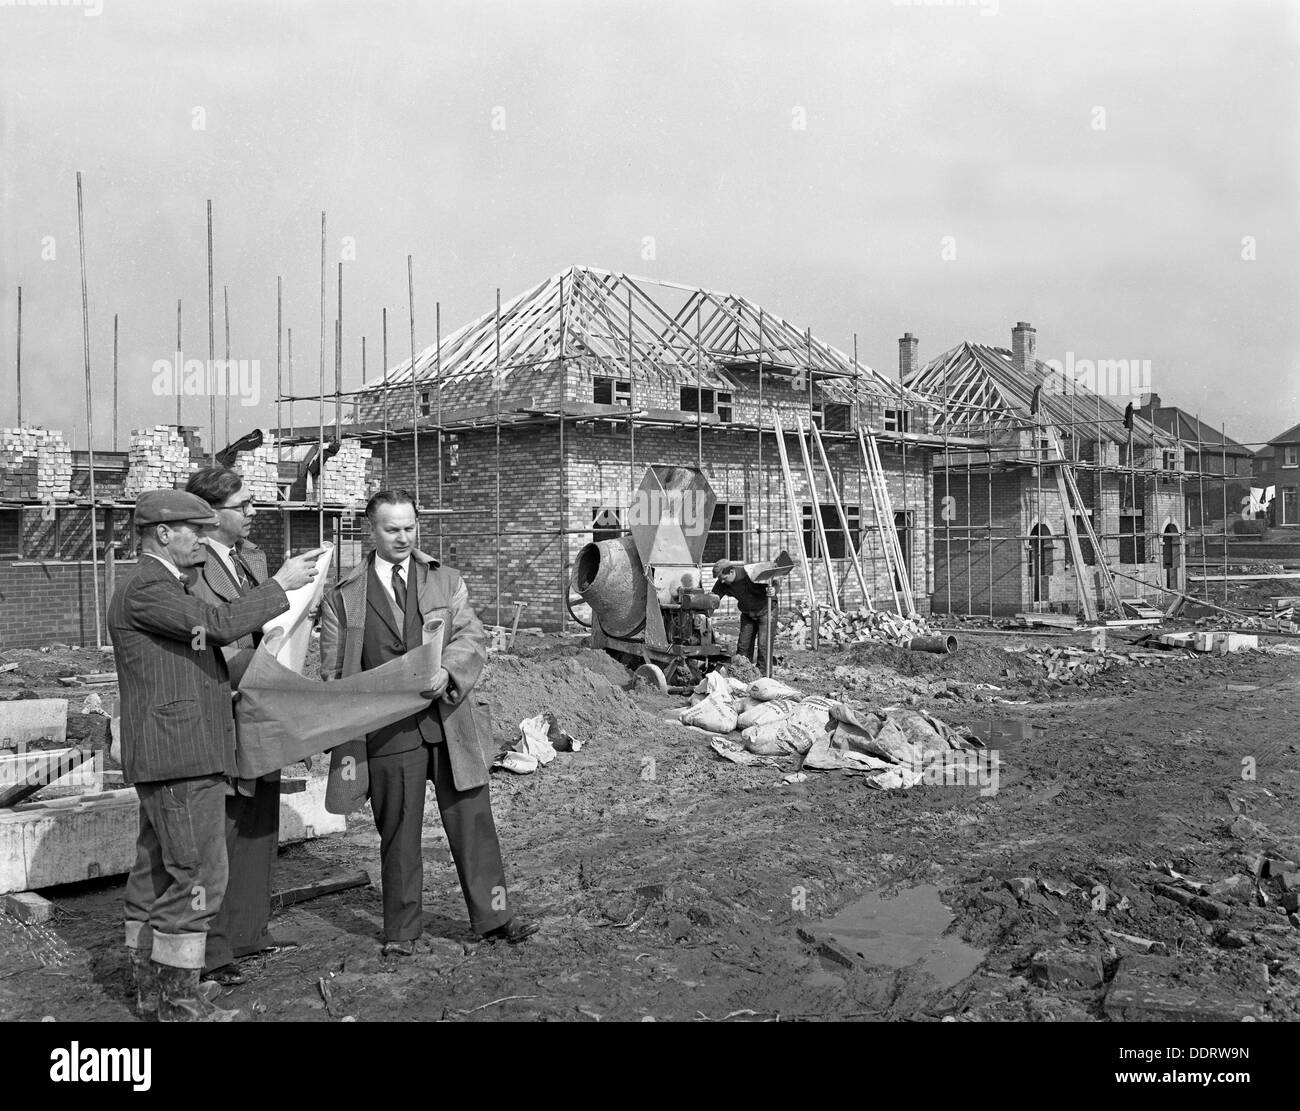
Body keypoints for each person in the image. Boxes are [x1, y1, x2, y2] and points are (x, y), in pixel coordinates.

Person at [110, 489, 322, 1022]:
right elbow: (218, 625)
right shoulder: (147, 587)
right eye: (195, 531)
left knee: (156, 872)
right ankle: (180, 1003)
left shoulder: (158, 586)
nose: (204, 541)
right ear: (164, 533)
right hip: (181, 755)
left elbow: (190, 659)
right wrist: (279, 588)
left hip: (173, 751)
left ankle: (152, 990)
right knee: (198, 874)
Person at [318, 488, 536, 956]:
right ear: (369, 530)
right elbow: (333, 671)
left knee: (474, 822)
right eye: (392, 529)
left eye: (410, 527)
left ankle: (495, 918)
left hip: (451, 722)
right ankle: (401, 932)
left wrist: (448, 671)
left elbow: (471, 636)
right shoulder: (344, 596)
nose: (403, 537)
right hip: (388, 731)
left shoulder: (446, 580)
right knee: (398, 832)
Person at [183, 466, 296, 988]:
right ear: (211, 514)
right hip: (223, 702)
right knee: (223, 826)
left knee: (258, 818)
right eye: (244, 505)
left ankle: (251, 930)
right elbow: (212, 630)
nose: (253, 513)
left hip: (263, 697)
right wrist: (278, 593)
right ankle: (213, 946)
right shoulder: (190, 568)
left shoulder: (251, 558)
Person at [711, 557, 776, 673]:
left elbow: (773, 579)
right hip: (747, 613)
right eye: (720, 579)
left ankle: (763, 677)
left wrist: (774, 589)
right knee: (743, 647)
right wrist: (704, 615)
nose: (721, 581)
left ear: (731, 572)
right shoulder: (722, 583)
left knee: (764, 646)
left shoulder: (750, 573)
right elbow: (713, 600)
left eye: (723, 578)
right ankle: (743, 674)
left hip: (766, 610)